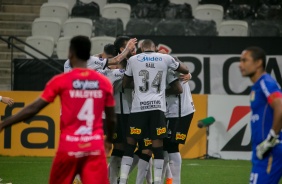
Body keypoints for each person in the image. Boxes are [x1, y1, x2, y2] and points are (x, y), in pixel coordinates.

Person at [0, 35, 117, 184]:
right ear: (90, 55)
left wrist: (5, 123)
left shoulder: (61, 81)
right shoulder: (103, 82)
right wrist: (109, 140)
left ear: (70, 54)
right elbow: (112, 118)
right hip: (94, 147)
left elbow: (34, 108)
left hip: (69, 146)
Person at [120, 39, 189, 184]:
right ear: (155, 48)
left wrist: (138, 84)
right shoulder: (165, 58)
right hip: (157, 109)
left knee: (130, 146)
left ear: (141, 48)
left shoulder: (133, 59)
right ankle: (158, 182)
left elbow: (125, 84)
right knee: (158, 148)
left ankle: (123, 180)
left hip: (138, 108)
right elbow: (185, 70)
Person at [239, 46, 282, 184]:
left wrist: (271, 138)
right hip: (263, 150)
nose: (240, 65)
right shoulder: (257, 85)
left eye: (245, 60)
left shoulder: (265, 82)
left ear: (258, 63)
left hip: (270, 150)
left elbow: (280, 106)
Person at [163, 63, 195, 184]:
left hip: (179, 113)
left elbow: (178, 89)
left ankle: (175, 181)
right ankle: (168, 180)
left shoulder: (172, 69)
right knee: (162, 147)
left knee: (171, 146)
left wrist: (157, 91)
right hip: (169, 112)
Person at [64, 38, 137, 72]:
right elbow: (116, 60)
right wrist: (127, 48)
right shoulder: (90, 60)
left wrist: (100, 55)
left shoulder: (67, 62)